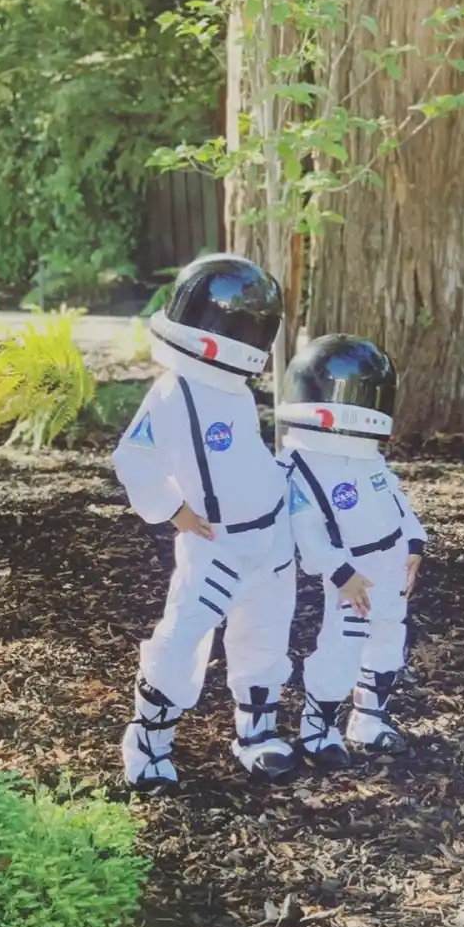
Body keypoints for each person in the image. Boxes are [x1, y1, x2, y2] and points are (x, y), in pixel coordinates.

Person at [111, 254, 298, 794]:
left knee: (265, 633)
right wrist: (172, 510)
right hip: (217, 542)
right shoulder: (174, 391)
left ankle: (257, 734)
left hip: (269, 537)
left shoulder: (230, 389)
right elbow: (134, 457)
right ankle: (148, 747)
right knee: (184, 637)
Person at [277, 334, 428, 770]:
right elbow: (305, 530)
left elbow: (396, 502)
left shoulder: (368, 457)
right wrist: (341, 572)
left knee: (388, 642)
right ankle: (316, 727)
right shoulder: (300, 465)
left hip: (389, 563)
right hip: (352, 572)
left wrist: (414, 544)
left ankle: (368, 718)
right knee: (341, 651)